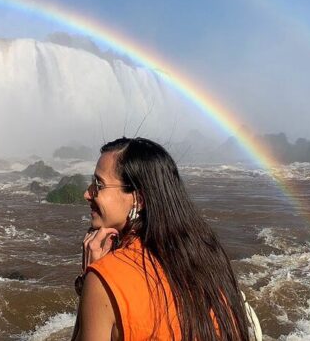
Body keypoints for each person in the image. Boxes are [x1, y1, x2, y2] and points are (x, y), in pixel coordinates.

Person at [71, 137, 261, 340]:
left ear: (138, 199)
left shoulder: (104, 278)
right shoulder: (210, 261)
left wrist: (87, 286)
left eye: (98, 184)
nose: (87, 194)